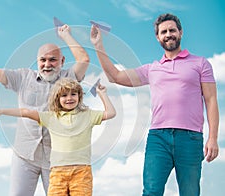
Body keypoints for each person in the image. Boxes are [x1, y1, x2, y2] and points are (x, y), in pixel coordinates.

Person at [0, 24, 90, 196]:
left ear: (62, 61)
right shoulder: (23, 77)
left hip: (56, 159)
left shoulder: (69, 78)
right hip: (25, 155)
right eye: (43, 60)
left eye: (52, 60)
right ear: (38, 62)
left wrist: (66, 36)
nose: (47, 64)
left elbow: (84, 60)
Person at [90, 13, 219, 196]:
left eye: (172, 30)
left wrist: (213, 137)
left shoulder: (200, 64)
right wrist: (98, 45)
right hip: (158, 138)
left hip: (190, 138)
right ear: (158, 37)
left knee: (190, 193)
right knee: (151, 192)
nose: (168, 34)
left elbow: (211, 100)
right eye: (163, 32)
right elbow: (115, 76)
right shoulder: (152, 69)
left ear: (180, 32)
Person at [0, 77, 116, 196]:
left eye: (73, 94)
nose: (69, 98)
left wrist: (102, 94)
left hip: (81, 171)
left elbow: (110, 113)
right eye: (64, 95)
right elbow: (26, 112)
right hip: (57, 172)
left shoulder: (88, 115)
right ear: (57, 99)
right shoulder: (51, 117)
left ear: (79, 96)